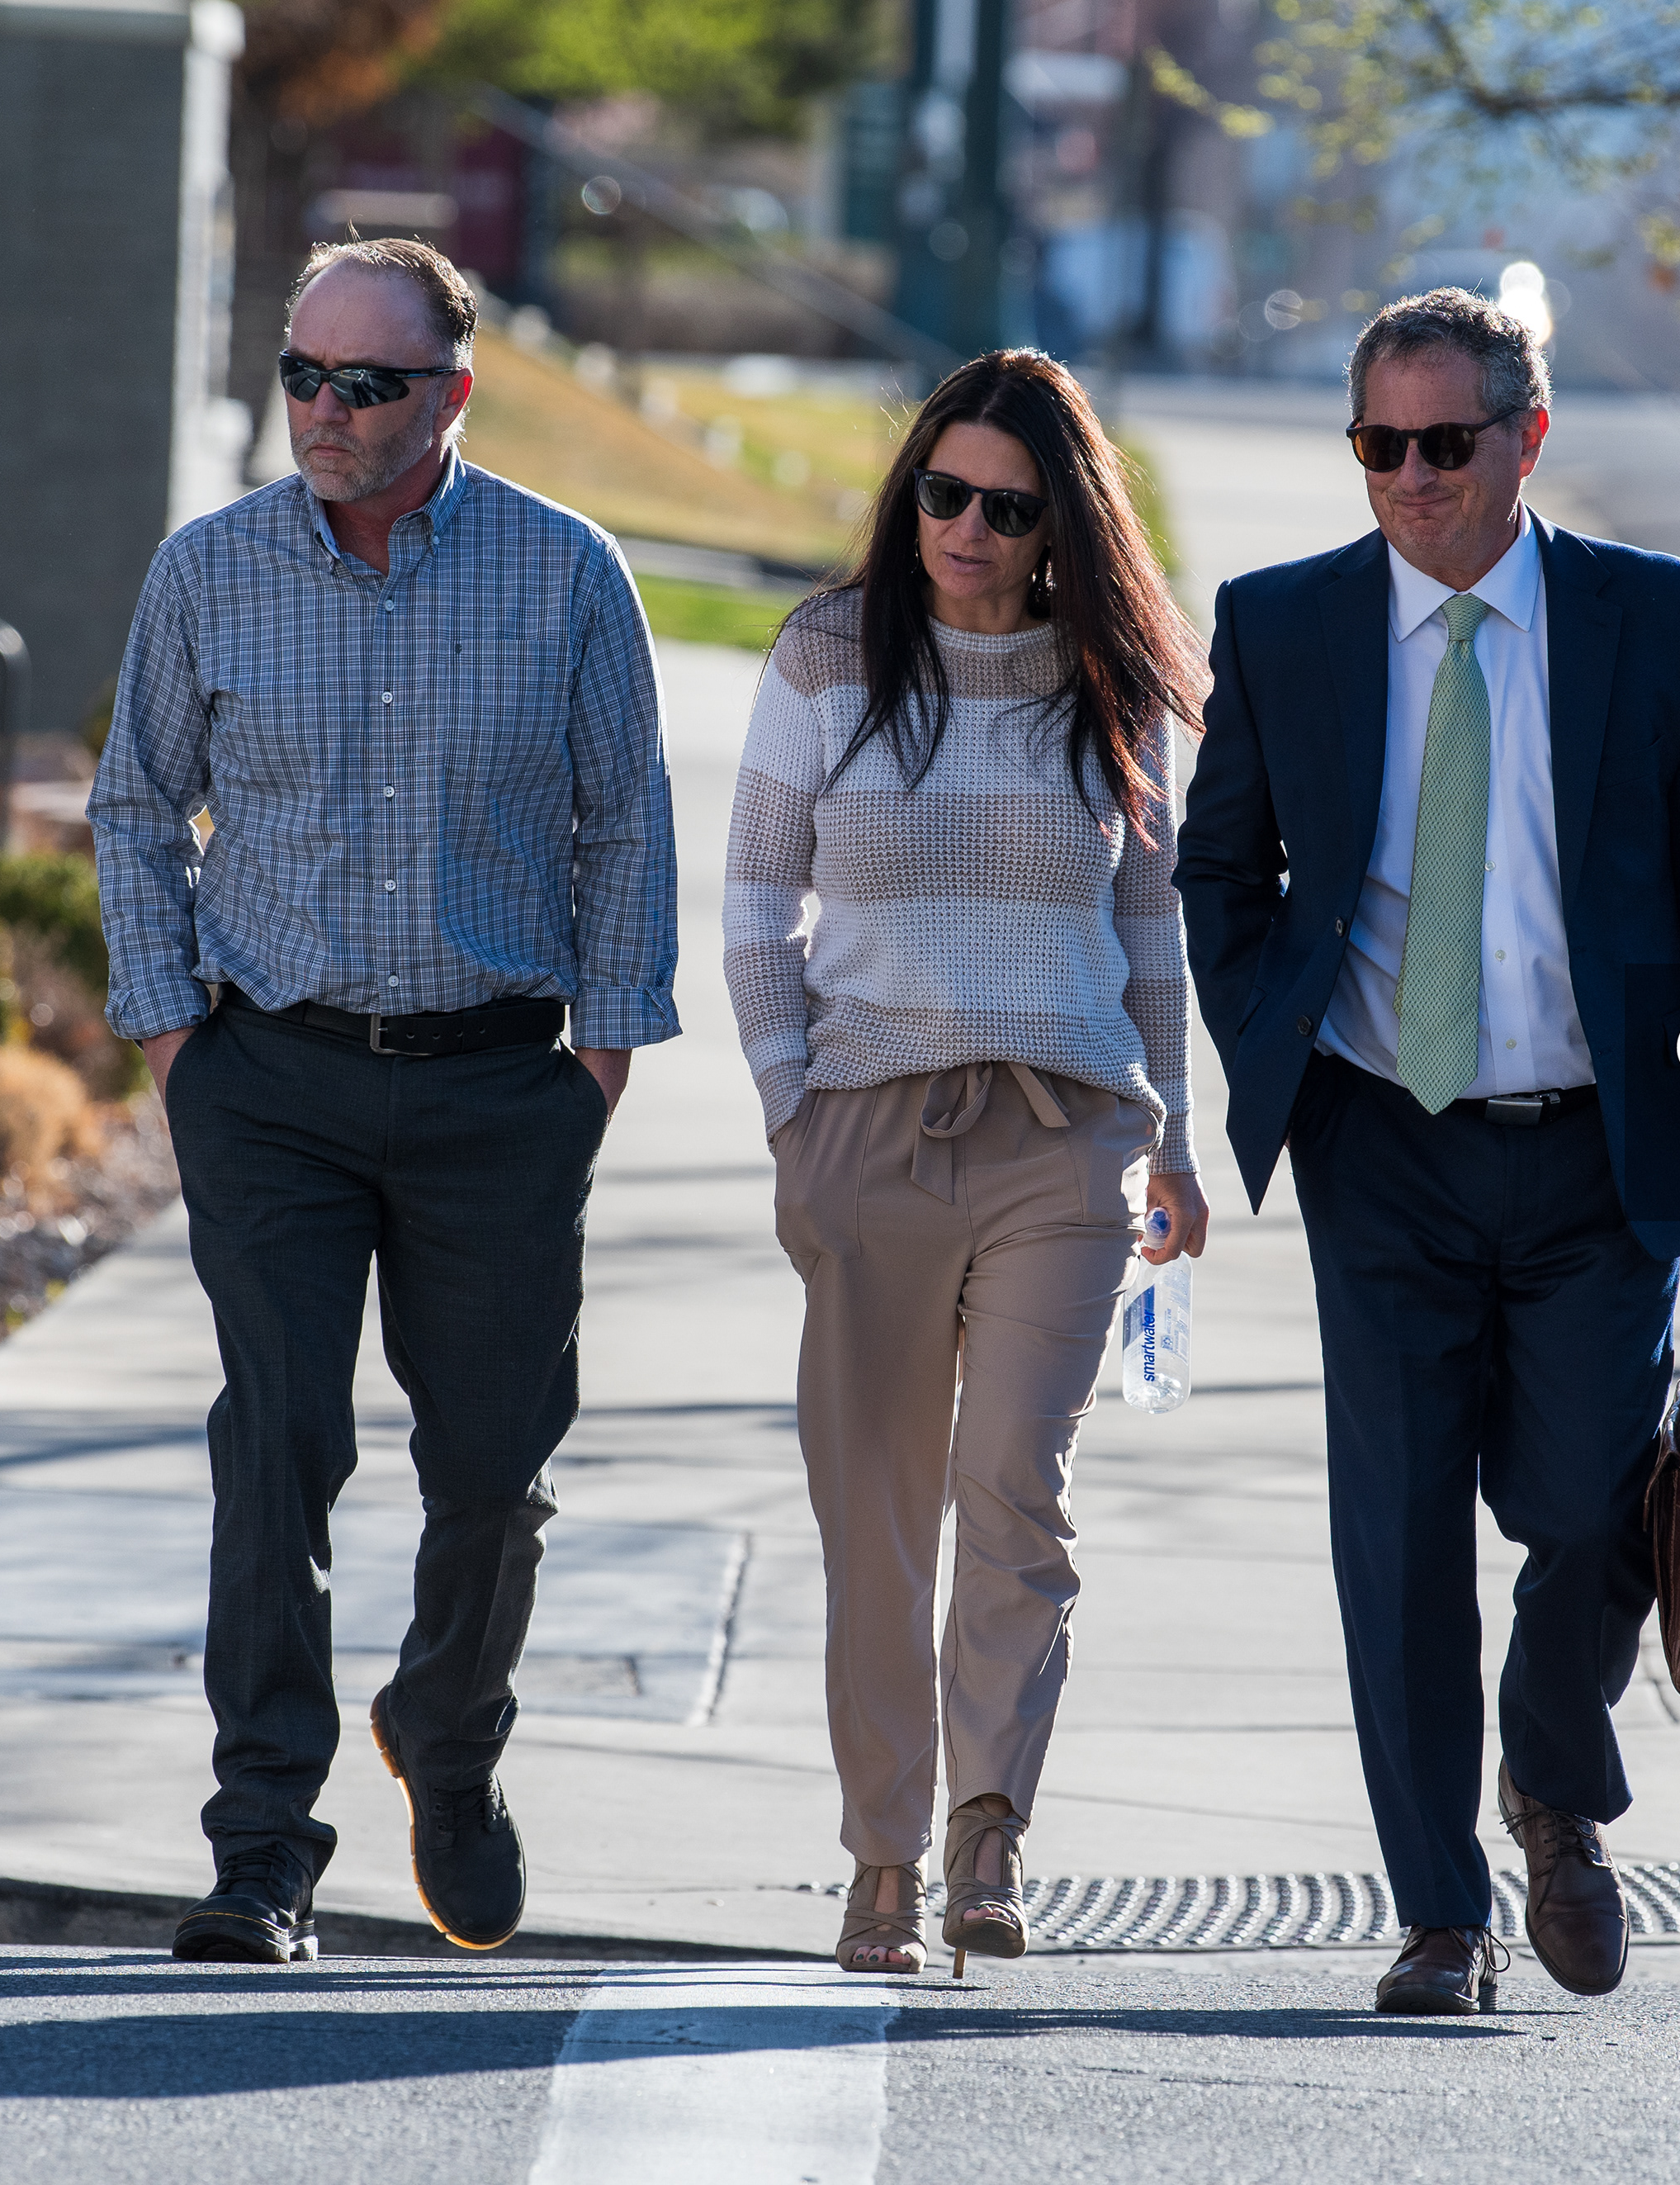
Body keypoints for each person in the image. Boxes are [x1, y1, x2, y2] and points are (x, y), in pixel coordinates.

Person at [1175, 289, 1680, 2015]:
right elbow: (1221, 875)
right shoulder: (1286, 624)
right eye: (1377, 445)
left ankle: (1551, 1775)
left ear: (1529, 439)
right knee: (1395, 1537)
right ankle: (1442, 1914)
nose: (1408, 478)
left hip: (1602, 1149)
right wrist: (1276, 1054)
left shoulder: (1653, 622)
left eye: (1444, 443)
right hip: (1383, 1141)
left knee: (1595, 1511)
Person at [91, 238, 678, 1964]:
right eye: (304, 374)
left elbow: (622, 822)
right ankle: (261, 1844)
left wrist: (599, 1064)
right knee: (275, 1449)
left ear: (453, 395)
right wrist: (172, 1044)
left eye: (368, 384)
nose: (327, 412)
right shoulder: (208, 572)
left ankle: (448, 1737)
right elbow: (137, 806)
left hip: (502, 1083)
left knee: (494, 1469)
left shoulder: (567, 573)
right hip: (267, 1078)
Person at [723, 349, 1209, 1977]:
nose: (969, 530)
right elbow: (754, 909)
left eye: (1008, 507)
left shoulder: (1109, 681)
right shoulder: (825, 658)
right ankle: (881, 1853)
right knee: (877, 1516)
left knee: (1016, 1490)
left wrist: (1180, 1143)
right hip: (866, 1127)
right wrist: (795, 1121)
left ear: (1057, 522)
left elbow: (1154, 938)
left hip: (1063, 1139)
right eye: (945, 493)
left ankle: (988, 1836)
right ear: (910, 489)